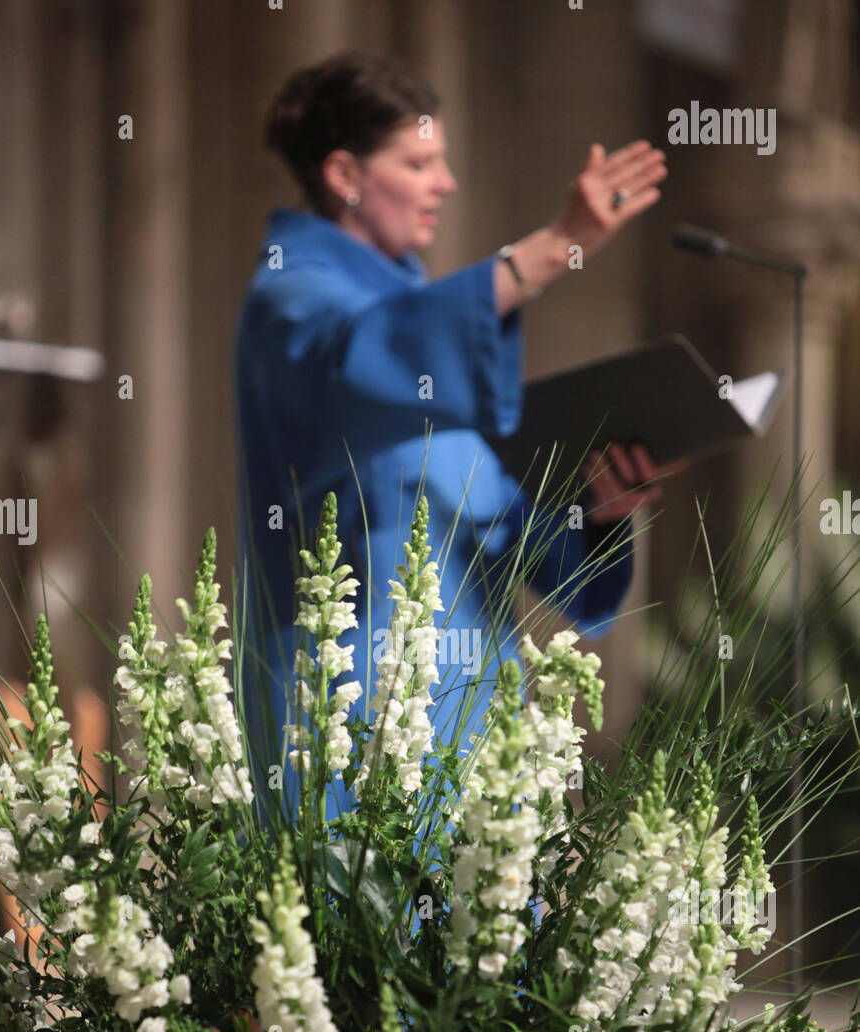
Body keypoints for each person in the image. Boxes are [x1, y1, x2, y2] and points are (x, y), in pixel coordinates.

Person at [235, 49, 676, 827]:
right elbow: (372, 348)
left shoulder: (434, 333)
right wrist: (555, 242)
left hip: (472, 719)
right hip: (349, 720)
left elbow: (527, 550)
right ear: (345, 175)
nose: (446, 183)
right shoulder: (294, 296)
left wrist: (603, 511)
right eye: (419, 162)